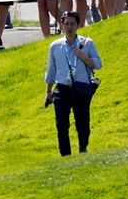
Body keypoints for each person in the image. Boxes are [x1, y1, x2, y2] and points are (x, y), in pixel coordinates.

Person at [44, 11, 102, 156]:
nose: (69, 27)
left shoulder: (86, 43)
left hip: (81, 88)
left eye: (72, 24)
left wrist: (84, 57)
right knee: (61, 124)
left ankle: (83, 148)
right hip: (62, 89)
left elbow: (98, 64)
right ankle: (65, 155)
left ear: (78, 25)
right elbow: (51, 70)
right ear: (62, 25)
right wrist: (48, 91)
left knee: (82, 123)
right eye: (67, 24)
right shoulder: (55, 46)